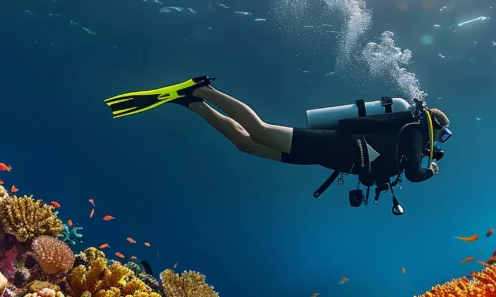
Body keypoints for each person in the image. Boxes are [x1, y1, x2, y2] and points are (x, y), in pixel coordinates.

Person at [104, 76, 452, 212]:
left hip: (337, 157)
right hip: (337, 148)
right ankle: (202, 88)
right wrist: (432, 171)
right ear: (435, 125)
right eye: (444, 135)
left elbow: (383, 171)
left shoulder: (412, 134)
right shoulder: (417, 130)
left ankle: (191, 103)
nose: (440, 143)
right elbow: (415, 173)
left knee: (248, 145)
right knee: (259, 129)